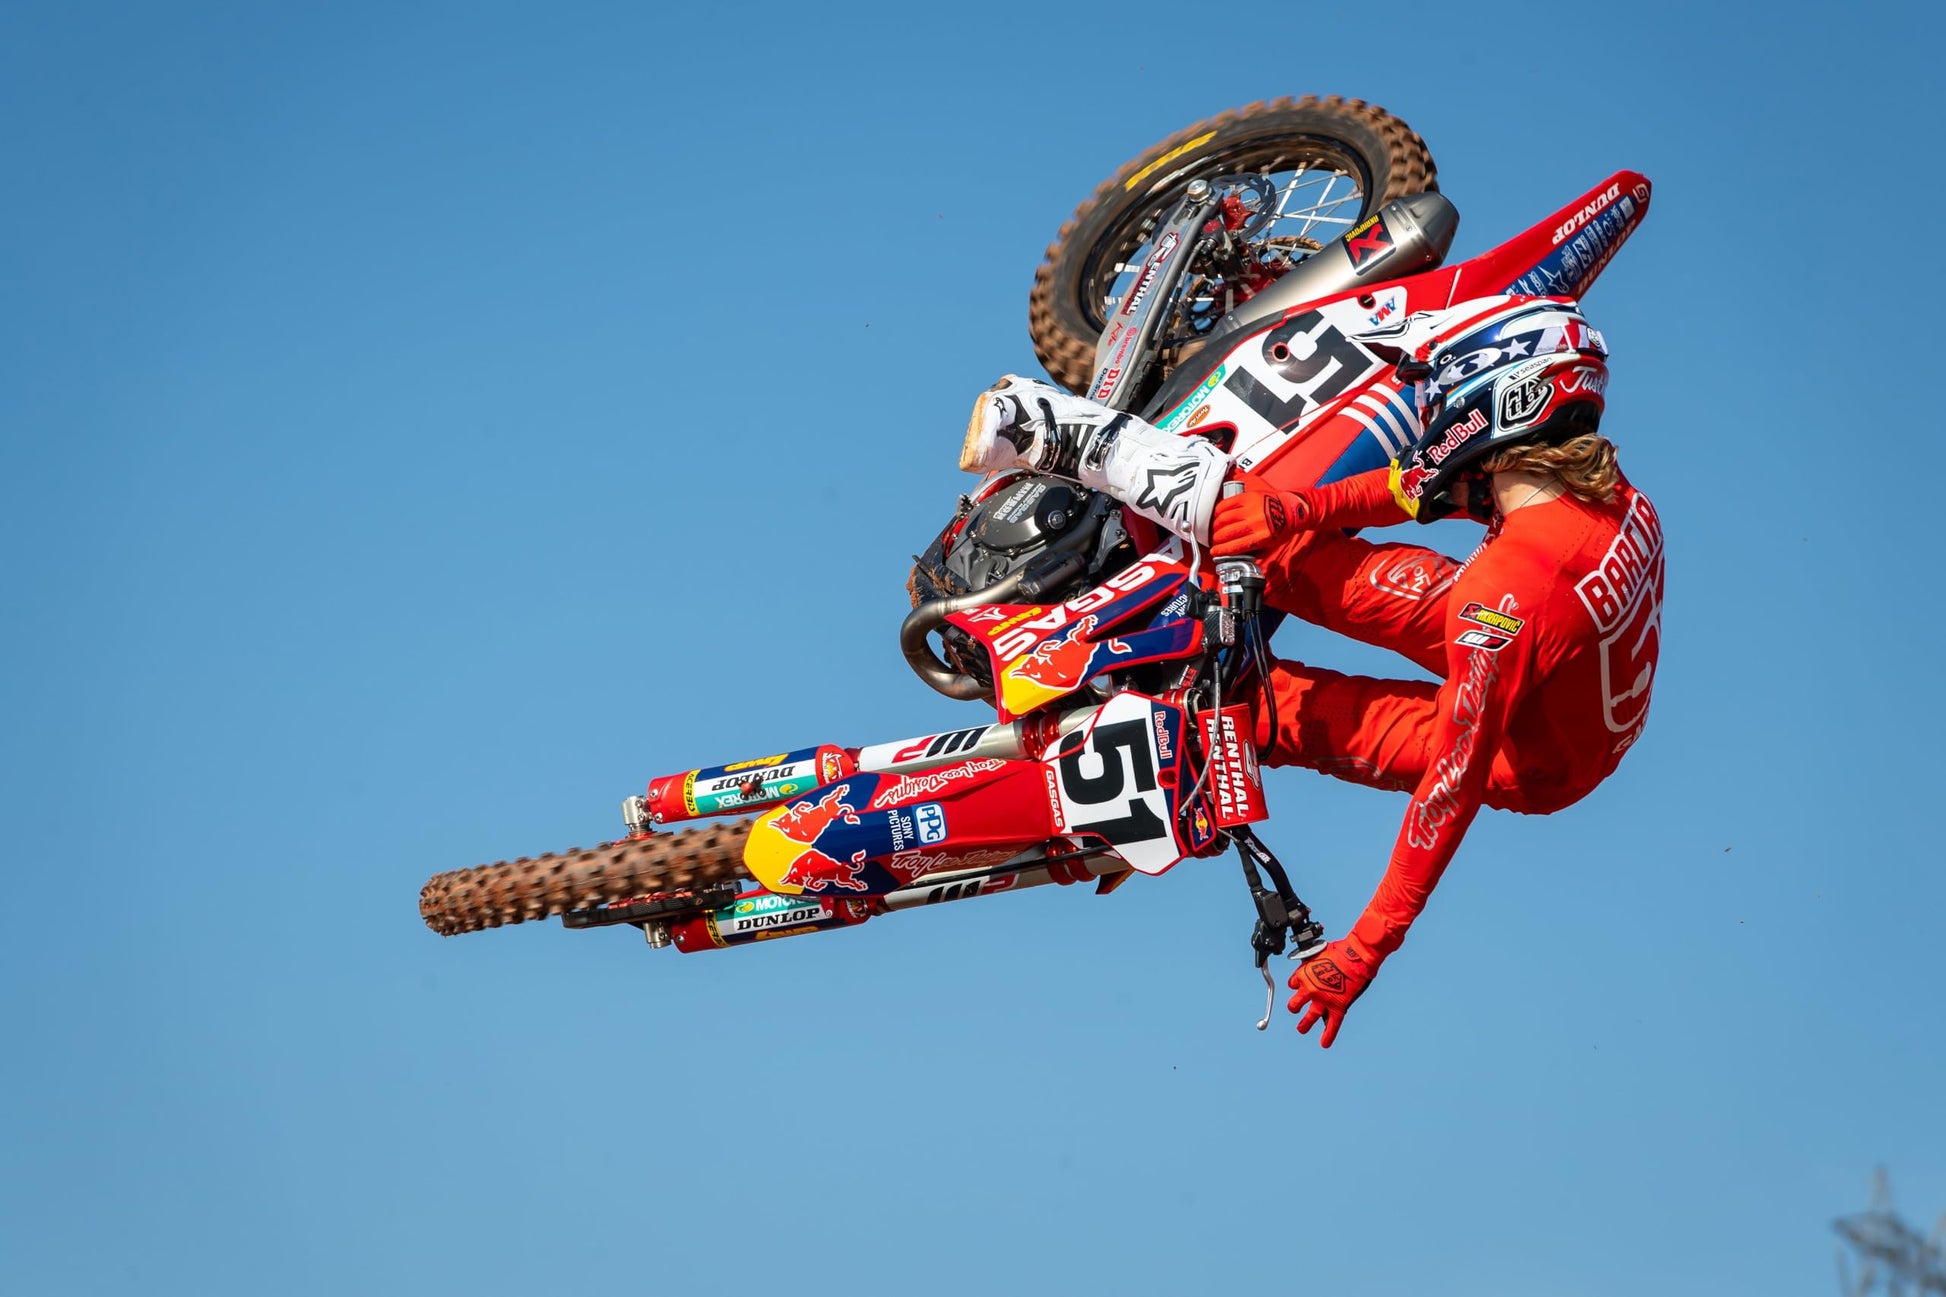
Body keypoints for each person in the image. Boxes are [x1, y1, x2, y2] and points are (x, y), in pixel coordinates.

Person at [964, 297, 1663, 1048]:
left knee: (1271, 714)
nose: (1433, 402)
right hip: (1551, 653)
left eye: (1446, 382)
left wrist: (1365, 948)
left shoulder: (1505, 596)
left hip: (1532, 756)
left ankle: (1138, 752)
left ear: (1510, 395)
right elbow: (1416, 484)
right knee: (1275, 541)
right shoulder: (1590, 488)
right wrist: (1296, 509)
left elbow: (1450, 789)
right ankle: (1101, 454)